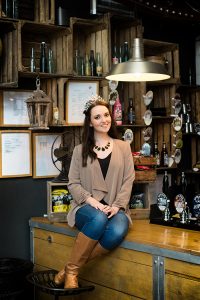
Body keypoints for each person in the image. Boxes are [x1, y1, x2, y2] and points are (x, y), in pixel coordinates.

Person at [54, 95, 135, 288]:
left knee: (118, 229)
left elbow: (128, 179)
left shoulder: (123, 147)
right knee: (97, 219)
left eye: (106, 115)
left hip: (117, 209)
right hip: (86, 207)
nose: (104, 120)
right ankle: (72, 273)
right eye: (97, 117)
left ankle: (69, 269)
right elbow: (73, 183)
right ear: (90, 122)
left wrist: (117, 206)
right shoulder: (79, 150)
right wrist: (94, 202)